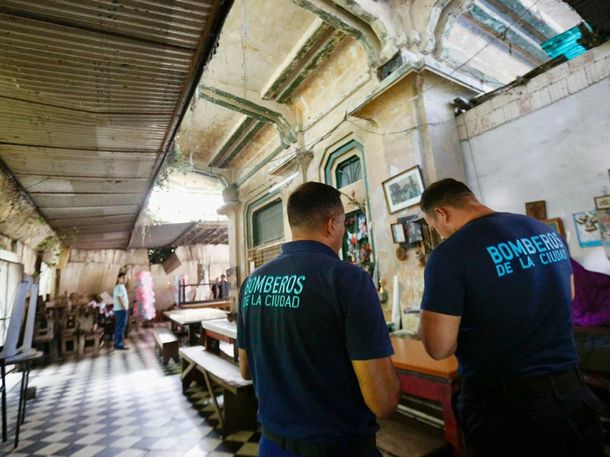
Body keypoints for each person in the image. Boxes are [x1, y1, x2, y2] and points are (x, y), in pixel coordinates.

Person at [417, 178, 604, 457]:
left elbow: (439, 347)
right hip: (572, 393)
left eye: (434, 227)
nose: (440, 234)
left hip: (507, 411)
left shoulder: (449, 254)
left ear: (441, 213)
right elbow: (570, 295)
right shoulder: (545, 232)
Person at [237, 182, 400, 457]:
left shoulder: (252, 282)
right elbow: (383, 402)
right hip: (337, 447)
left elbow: (246, 370)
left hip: (272, 445)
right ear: (332, 224)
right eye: (343, 224)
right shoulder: (348, 279)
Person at [113, 272, 129, 350]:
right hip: (120, 310)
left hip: (121, 309)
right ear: (118, 278)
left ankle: (117, 343)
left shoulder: (122, 286)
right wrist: (123, 307)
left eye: (126, 278)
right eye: (123, 278)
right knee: (121, 327)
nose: (125, 279)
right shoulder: (118, 287)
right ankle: (119, 345)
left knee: (119, 327)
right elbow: (119, 298)